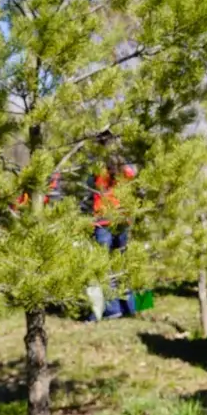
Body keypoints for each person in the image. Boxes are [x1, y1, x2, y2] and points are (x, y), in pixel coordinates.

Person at [85, 132, 138, 320]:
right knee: (121, 265)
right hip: (121, 219)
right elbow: (133, 182)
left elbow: (88, 185)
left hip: (104, 221)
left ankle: (114, 309)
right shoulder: (124, 165)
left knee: (106, 267)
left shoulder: (96, 165)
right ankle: (128, 307)